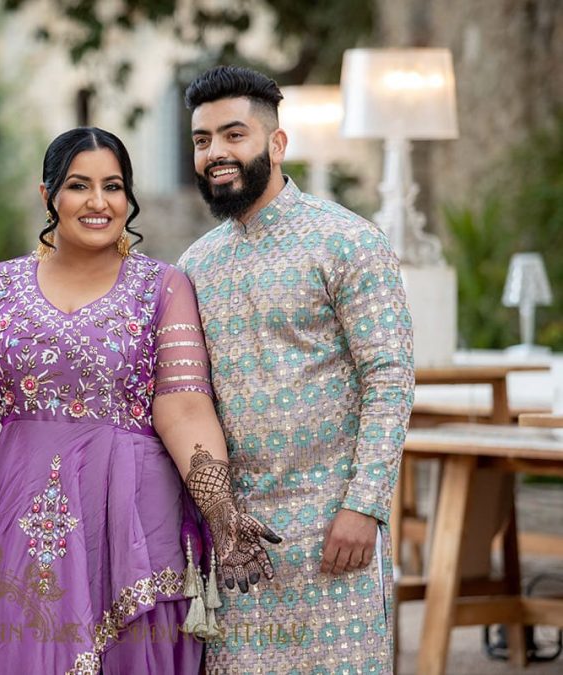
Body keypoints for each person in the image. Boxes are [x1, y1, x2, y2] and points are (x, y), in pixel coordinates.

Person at [0, 127, 281, 674]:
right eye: (79, 185)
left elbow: (184, 406)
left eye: (113, 186)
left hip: (135, 519)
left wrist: (223, 516)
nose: (98, 202)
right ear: (48, 195)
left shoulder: (162, 287)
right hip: (28, 520)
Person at [177, 65, 415, 673]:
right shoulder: (196, 264)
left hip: (334, 528)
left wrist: (366, 505)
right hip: (239, 539)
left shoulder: (348, 242)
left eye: (234, 135)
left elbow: (389, 380)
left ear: (277, 144)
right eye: (202, 141)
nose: (215, 154)